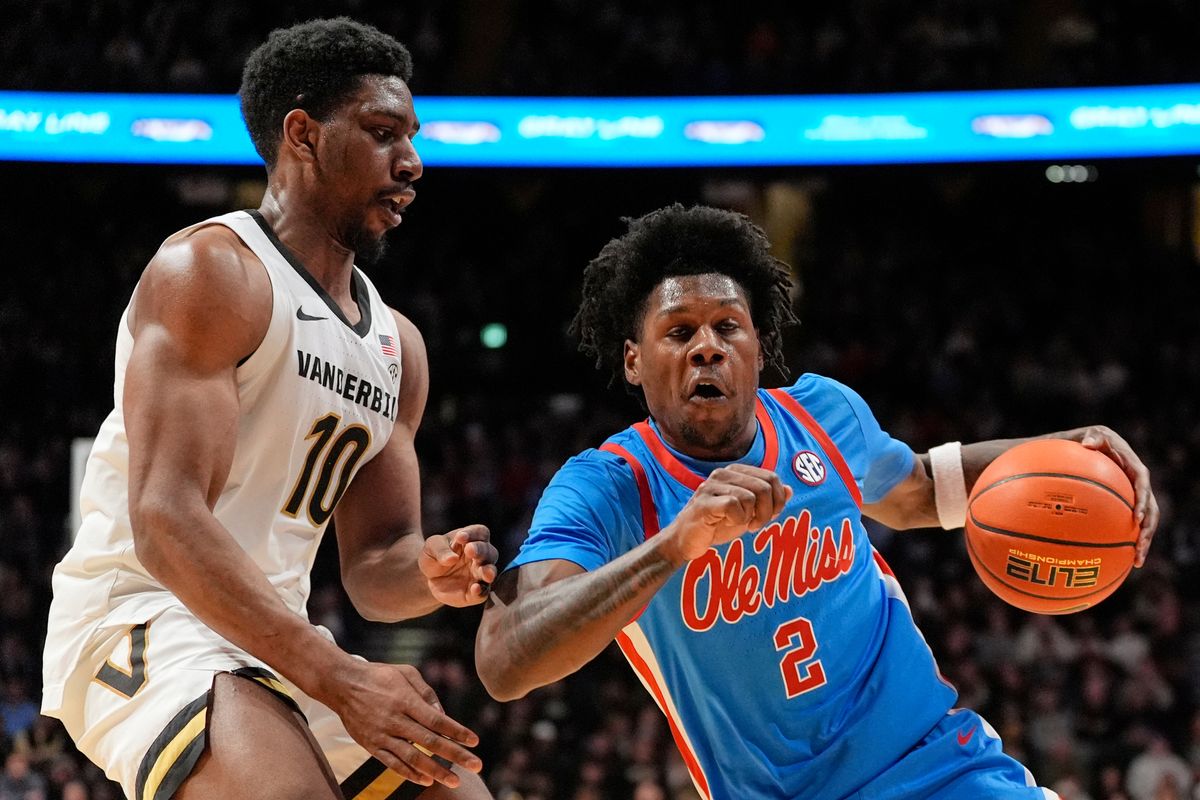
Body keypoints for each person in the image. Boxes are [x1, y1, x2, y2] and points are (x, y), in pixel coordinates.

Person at [475, 204, 1160, 800]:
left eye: (728, 327)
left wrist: (1067, 450)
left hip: (937, 765)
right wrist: (673, 547)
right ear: (634, 360)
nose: (707, 347)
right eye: (679, 332)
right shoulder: (606, 486)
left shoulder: (824, 415)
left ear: (758, 346)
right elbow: (505, 661)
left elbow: (924, 490)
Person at [41, 18, 496, 800]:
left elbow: (375, 569)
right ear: (303, 134)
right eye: (383, 133)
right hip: (147, 615)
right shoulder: (212, 271)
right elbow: (165, 520)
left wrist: (431, 574)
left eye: (411, 138)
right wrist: (340, 677)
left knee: (455, 790)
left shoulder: (399, 347)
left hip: (274, 638)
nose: (411, 162)